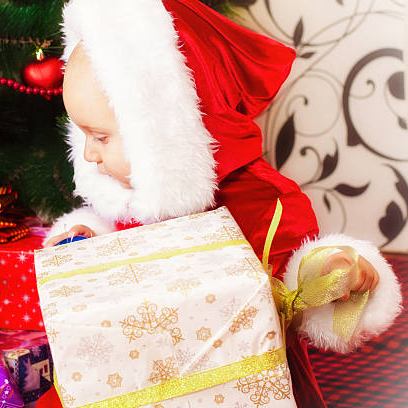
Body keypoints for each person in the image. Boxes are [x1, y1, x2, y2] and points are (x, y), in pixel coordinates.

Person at [38, 0, 403, 407]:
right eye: (82, 134)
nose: (88, 155)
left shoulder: (262, 202)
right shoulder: (124, 193)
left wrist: (333, 271)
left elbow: (297, 278)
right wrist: (86, 242)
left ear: (163, 130)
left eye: (101, 137)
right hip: (136, 374)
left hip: (235, 383)